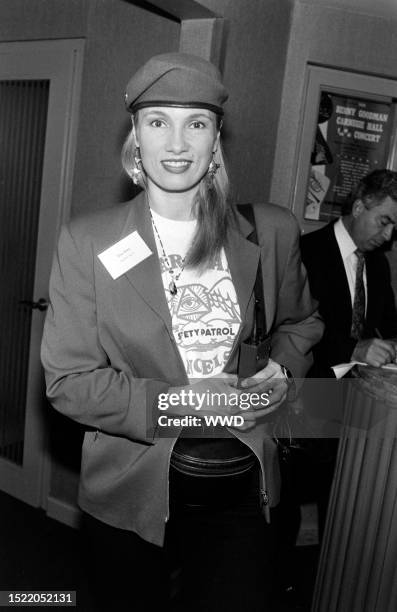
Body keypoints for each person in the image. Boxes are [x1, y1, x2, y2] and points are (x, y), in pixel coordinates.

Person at [41, 52, 323, 612]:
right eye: (157, 122)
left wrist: (284, 371)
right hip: (130, 489)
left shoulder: (269, 230)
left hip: (242, 481)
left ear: (215, 140)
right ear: (136, 141)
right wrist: (180, 404)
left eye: (195, 123)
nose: (176, 143)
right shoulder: (87, 242)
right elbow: (69, 382)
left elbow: (302, 322)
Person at [298, 169, 397, 540]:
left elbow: (387, 324)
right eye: (384, 222)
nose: (388, 237)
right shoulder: (306, 252)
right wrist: (354, 348)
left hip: (361, 404)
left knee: (343, 512)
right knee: (290, 502)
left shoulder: (379, 264)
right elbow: (292, 331)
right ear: (358, 206)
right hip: (310, 396)